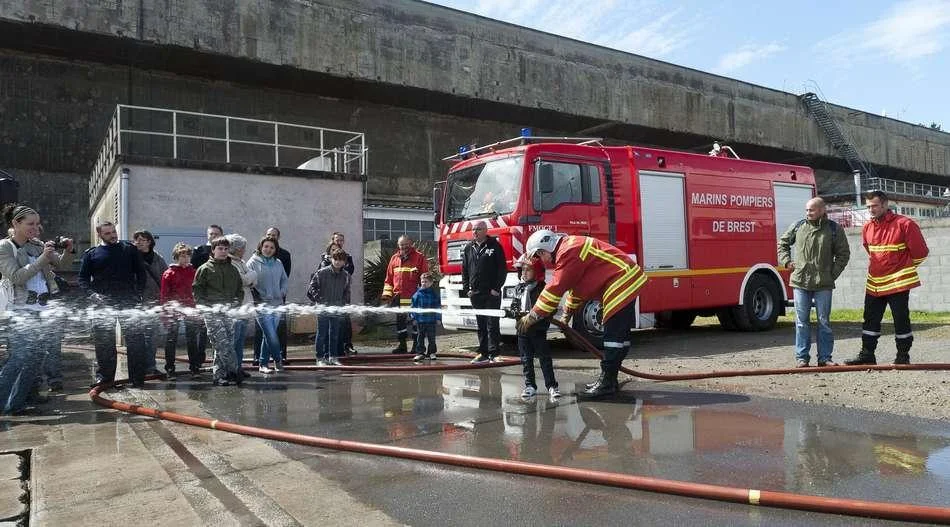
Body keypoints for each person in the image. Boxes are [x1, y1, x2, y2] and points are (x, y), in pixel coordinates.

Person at [517, 230, 647, 399]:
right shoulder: (570, 248)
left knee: (613, 338)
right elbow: (578, 288)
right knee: (618, 337)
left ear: (543, 251)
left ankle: (607, 383)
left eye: (540, 257)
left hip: (621, 281)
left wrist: (533, 315)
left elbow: (556, 288)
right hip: (625, 278)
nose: (542, 261)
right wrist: (567, 314)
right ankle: (610, 379)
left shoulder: (568, 252)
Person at [0, 204, 73, 414]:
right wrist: (42, 258)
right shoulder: (5, 247)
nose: (35, 227)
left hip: (42, 310)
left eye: (37, 223)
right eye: (30, 224)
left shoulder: (37, 244)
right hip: (20, 311)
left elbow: (58, 264)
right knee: (21, 357)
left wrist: (67, 251)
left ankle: (17, 403)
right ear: (16, 223)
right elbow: (16, 277)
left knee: (35, 358)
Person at [845, 191, 929, 366]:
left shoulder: (904, 224)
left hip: (898, 283)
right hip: (875, 283)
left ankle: (902, 356)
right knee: (869, 319)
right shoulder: (867, 227)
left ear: (884, 204)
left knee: (900, 319)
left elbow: (921, 252)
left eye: (874, 205)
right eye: (868, 206)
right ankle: (867, 354)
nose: (871, 209)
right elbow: (872, 252)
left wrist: (903, 269)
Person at [778, 197, 851, 367]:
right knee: (802, 322)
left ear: (821, 210)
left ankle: (825, 358)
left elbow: (843, 254)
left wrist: (831, 274)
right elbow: (782, 244)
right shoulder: (798, 226)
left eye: (811, 210)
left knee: (824, 321)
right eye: (806, 210)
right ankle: (802, 358)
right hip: (800, 282)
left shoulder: (834, 229)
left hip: (823, 284)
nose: (807, 213)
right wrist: (787, 262)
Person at [78, 221, 149, 387]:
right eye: (108, 233)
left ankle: (137, 378)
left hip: (128, 301)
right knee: (104, 342)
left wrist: (138, 293)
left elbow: (141, 273)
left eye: (114, 231)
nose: (113, 235)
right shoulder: (92, 254)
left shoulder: (129, 249)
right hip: (103, 304)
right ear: (100, 235)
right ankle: (105, 378)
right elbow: (82, 279)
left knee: (136, 340)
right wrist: (92, 295)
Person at [192, 236, 244, 386]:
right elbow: (197, 291)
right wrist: (205, 308)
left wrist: (236, 305)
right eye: (220, 248)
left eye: (226, 249)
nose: (223, 251)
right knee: (222, 343)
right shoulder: (204, 269)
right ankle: (234, 371)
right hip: (212, 313)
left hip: (228, 312)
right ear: (213, 250)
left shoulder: (233, 270)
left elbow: (239, 291)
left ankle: (219, 376)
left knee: (225, 343)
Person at [511, 258, 559, 399]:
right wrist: (515, 312)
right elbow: (514, 304)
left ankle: (552, 386)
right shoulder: (518, 288)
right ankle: (530, 386)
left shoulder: (543, 288)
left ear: (537, 272)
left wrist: (537, 316)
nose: (524, 273)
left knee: (544, 359)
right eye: (522, 270)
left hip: (538, 330)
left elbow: (551, 308)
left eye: (528, 270)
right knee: (526, 359)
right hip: (522, 330)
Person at [461, 222, 507, 364]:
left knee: (492, 323)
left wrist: (496, 288)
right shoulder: (469, 248)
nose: (475, 232)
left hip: (491, 293)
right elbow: (464, 270)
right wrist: (466, 289)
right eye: (473, 229)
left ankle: (495, 353)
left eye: (478, 229)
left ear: (486, 231)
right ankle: (483, 353)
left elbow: (502, 269)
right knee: (480, 324)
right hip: (475, 293)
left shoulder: (495, 246)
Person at [247, 236, 288, 374]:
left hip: (277, 304)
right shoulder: (252, 262)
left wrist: (282, 292)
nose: (268, 249)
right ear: (261, 247)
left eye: (271, 247)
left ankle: (263, 363)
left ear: (275, 249)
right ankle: (277, 360)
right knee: (270, 334)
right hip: (261, 304)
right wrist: (260, 294)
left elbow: (284, 280)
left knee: (269, 335)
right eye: (266, 246)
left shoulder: (278, 263)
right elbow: (249, 283)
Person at [381, 235, 428, 354]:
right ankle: (402, 345)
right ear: (398, 245)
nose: (404, 247)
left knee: (416, 322)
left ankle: (416, 345)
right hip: (398, 296)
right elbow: (389, 279)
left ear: (411, 243)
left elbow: (425, 278)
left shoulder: (419, 257)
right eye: (402, 245)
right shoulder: (394, 259)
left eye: (406, 244)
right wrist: (387, 295)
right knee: (400, 323)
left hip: (414, 296)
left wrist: (423, 295)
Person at [160, 242, 201, 376]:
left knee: (192, 338)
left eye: (187, 256)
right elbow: (164, 295)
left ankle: (194, 367)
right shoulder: (169, 273)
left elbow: (197, 292)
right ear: (176, 257)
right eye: (182, 256)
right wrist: (165, 313)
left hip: (190, 309)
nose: (185, 259)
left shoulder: (194, 272)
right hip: (174, 310)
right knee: (171, 339)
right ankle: (170, 368)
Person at [308, 248, 351, 366]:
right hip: (323, 308)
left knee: (334, 333)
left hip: (337, 308)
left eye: (340, 260)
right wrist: (319, 300)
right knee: (322, 333)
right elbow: (311, 288)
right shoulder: (321, 273)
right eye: (335, 259)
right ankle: (320, 358)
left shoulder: (346, 276)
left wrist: (344, 305)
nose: (337, 262)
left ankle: (333, 357)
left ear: (344, 262)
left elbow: (347, 292)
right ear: (331, 259)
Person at [133, 230, 168, 375]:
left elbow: (165, 278)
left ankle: (150, 367)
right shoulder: (131, 258)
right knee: (137, 337)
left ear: (149, 242)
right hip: (137, 303)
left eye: (142, 239)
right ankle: (137, 368)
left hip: (153, 303)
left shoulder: (157, 259)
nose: (139, 242)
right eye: (137, 240)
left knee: (152, 337)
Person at [226, 234, 257, 377]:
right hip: (236, 308)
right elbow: (243, 279)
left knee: (240, 341)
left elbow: (252, 278)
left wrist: (250, 277)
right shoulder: (230, 263)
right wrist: (251, 276)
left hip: (244, 307)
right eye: (242, 247)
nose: (244, 250)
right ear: (237, 248)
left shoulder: (241, 262)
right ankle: (230, 369)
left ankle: (238, 367)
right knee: (233, 340)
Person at [192, 224, 223, 362]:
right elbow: (193, 273)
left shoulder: (225, 252)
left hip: (220, 297)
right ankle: (199, 360)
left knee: (220, 331)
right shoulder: (199, 250)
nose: (213, 236)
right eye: (211, 234)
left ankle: (218, 359)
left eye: (216, 234)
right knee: (202, 331)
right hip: (204, 297)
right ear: (207, 235)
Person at [265, 226, 291, 361]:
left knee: (280, 325)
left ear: (278, 238)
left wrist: (280, 292)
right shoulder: (258, 255)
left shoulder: (284, 255)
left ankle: (281, 355)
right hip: (263, 298)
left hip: (279, 297)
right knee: (265, 328)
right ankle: (261, 356)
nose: (271, 237)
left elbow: (285, 276)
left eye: (274, 235)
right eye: (269, 234)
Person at [411, 272, 441, 363]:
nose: (423, 283)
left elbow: (438, 307)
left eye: (426, 282)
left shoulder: (434, 294)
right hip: (420, 321)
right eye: (422, 281)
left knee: (431, 337)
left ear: (431, 283)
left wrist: (438, 318)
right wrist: (414, 317)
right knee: (420, 337)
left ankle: (431, 352)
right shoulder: (417, 295)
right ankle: (420, 353)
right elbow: (413, 307)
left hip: (431, 320)